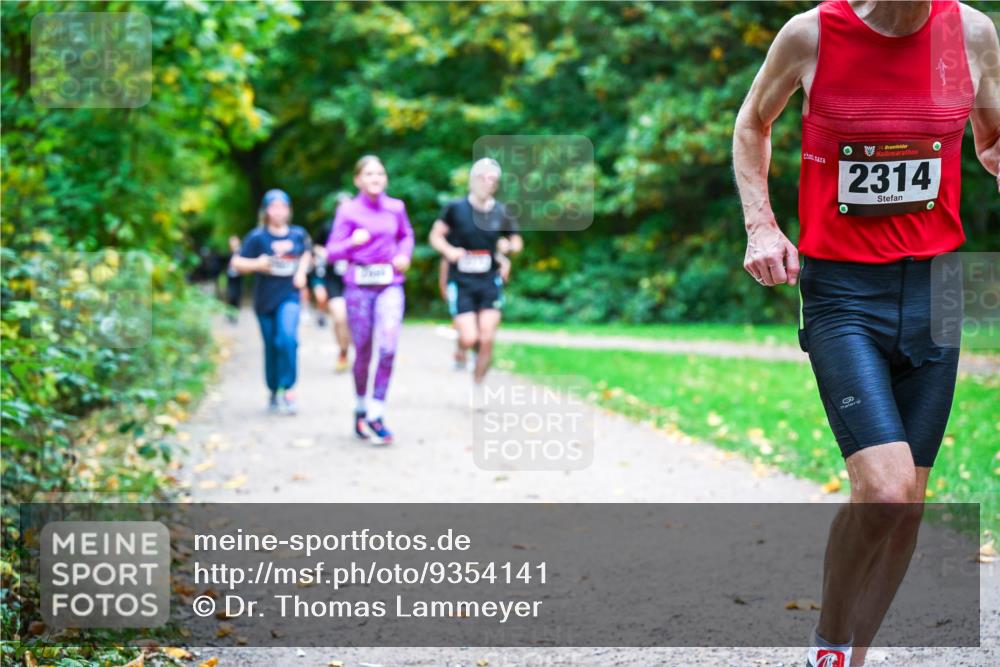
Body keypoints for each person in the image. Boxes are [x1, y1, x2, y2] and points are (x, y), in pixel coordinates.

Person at [733, 2, 998, 666]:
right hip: (844, 292)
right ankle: (828, 644)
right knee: (885, 489)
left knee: (909, 504)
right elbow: (751, 124)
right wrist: (760, 224)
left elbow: (991, 139)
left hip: (935, 289)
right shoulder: (813, 34)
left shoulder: (971, 33)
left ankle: (854, 655)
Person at [326, 156, 414, 445]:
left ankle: (376, 413)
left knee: (388, 347)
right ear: (358, 180)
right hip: (359, 287)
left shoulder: (396, 208)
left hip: (390, 284)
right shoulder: (348, 211)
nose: (375, 178)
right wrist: (353, 242)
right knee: (362, 349)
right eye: (369, 174)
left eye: (380, 173)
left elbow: (406, 236)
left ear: (385, 179)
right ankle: (360, 405)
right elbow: (332, 252)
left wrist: (404, 255)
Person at [430, 158, 521, 383]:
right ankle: (464, 347)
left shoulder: (501, 211)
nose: (486, 183)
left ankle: (478, 385)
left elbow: (517, 242)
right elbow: (435, 236)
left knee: (487, 336)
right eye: (482, 177)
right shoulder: (455, 208)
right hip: (461, 282)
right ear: (472, 180)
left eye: (492, 179)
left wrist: (507, 247)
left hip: (489, 281)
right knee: (471, 337)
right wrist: (449, 251)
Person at [230, 189, 312, 416]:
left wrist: (302, 272)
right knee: (271, 346)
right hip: (265, 301)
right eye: (273, 207)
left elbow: (306, 253)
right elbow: (236, 263)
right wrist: (258, 264)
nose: (278, 211)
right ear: (266, 211)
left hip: (290, 297)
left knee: (287, 339)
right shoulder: (258, 237)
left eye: (283, 206)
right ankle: (273, 390)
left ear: (289, 210)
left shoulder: (298, 234)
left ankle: (289, 389)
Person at [313, 214, 353, 372]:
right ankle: (343, 352)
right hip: (333, 280)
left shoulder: (362, 226)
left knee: (353, 320)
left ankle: (357, 353)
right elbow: (315, 249)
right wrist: (318, 283)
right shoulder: (328, 227)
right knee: (340, 317)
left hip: (355, 280)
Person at [224, 235, 243, 323]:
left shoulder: (241, 252)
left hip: (238, 278)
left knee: (237, 297)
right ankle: (230, 314)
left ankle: (235, 315)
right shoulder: (228, 253)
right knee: (231, 296)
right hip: (230, 278)